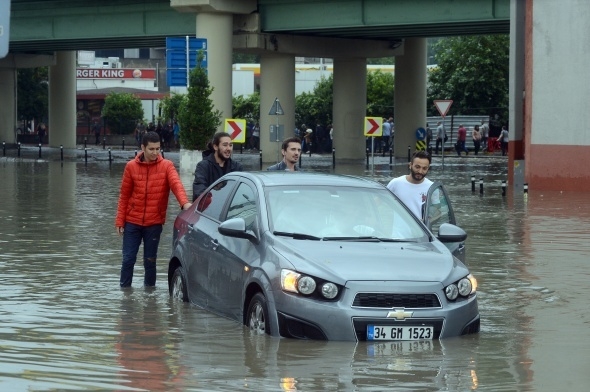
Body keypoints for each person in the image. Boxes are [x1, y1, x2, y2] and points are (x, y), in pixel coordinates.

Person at [115, 131, 191, 288]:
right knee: (128, 259)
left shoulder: (167, 166)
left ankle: (150, 296)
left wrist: (184, 204)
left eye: (158, 149)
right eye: (151, 149)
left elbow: (177, 185)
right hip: (132, 221)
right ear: (143, 147)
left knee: (150, 261)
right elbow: (124, 195)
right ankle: (125, 294)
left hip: (154, 222)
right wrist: (120, 220)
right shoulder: (130, 167)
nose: (155, 153)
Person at [192, 132, 243, 201]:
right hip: (209, 209)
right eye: (225, 145)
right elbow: (199, 191)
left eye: (230, 145)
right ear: (215, 146)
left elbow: (241, 193)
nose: (229, 149)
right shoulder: (203, 166)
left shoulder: (237, 167)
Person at [386, 150, 434, 220]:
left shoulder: (432, 187)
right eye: (417, 167)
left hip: (421, 230)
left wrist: (428, 219)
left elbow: (437, 210)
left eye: (424, 168)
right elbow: (379, 203)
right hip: (398, 230)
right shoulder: (395, 183)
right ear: (410, 165)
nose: (420, 171)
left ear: (428, 168)